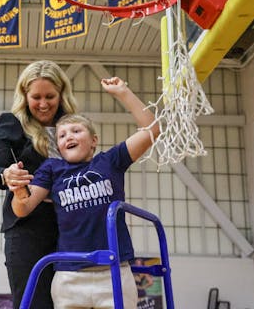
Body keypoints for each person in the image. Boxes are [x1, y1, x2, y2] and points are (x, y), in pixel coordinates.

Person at [10, 77, 160, 309]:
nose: (68, 136)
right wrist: (19, 192)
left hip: (113, 271)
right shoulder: (52, 169)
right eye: (61, 136)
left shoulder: (111, 161)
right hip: (69, 275)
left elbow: (153, 129)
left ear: (93, 141)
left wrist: (123, 93)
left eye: (76, 131)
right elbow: (24, 208)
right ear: (58, 147)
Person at [0, 60, 78, 309]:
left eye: (50, 96)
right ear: (24, 95)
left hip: (72, 227)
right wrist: (7, 175)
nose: (43, 104)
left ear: (61, 94)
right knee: (34, 302)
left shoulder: (72, 128)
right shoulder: (10, 123)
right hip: (28, 229)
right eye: (36, 97)